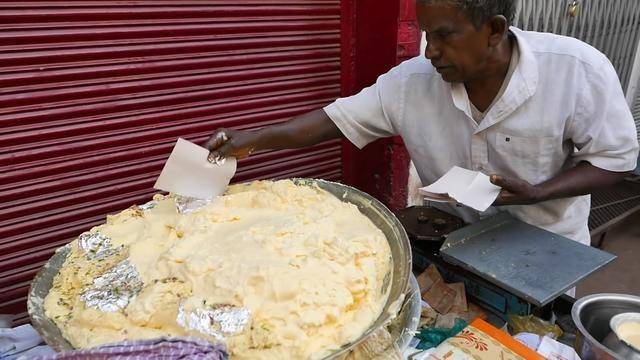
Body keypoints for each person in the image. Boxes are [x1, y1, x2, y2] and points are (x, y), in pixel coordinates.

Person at [205, 0, 639, 246]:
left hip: (548, 247)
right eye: (426, 34)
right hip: (451, 241)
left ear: (494, 29)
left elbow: (616, 162)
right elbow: (335, 120)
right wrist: (253, 140)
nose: (430, 51)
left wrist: (539, 192)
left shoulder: (577, 70)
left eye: (445, 36)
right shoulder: (412, 82)